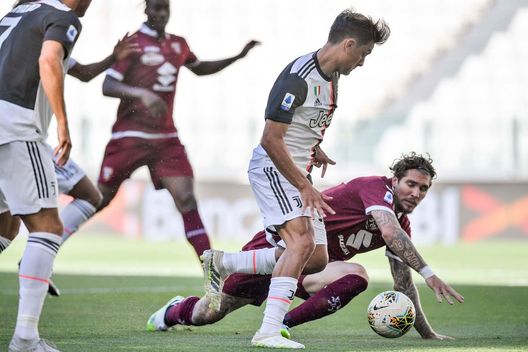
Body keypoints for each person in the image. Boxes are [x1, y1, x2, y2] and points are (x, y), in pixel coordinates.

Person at [202, 8, 390, 349]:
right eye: (363, 54)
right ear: (349, 45)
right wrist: (304, 185)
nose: (362, 62)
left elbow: (304, 125)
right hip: (274, 168)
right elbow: (271, 139)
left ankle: (224, 262)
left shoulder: (332, 79)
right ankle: (268, 331)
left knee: (316, 258)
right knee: (300, 243)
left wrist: (315, 148)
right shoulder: (297, 78)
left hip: (298, 171)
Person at [147, 153, 464, 343]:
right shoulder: (375, 189)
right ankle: (171, 312)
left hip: (313, 266)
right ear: (394, 180)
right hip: (281, 250)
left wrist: (427, 334)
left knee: (357, 275)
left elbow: (403, 285)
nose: (417, 192)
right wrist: (430, 273)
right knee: (208, 313)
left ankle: (281, 325)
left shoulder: (399, 226)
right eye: (411, 184)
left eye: (424, 188)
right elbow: (390, 230)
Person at [97, 0, 260, 262]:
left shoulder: (179, 44)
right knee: (99, 199)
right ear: (146, 9)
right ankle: (47, 244)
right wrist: (141, 93)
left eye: (165, 9)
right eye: (156, 8)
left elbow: (200, 68)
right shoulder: (133, 43)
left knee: (187, 201)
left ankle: (211, 271)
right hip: (130, 136)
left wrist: (237, 57)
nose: (161, 13)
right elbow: (108, 85)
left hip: (165, 138)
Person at [0, 35, 139, 297]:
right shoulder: (46, 42)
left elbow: (84, 72)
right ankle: (38, 264)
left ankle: (37, 259)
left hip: (11, 137)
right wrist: (63, 125)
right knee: (87, 198)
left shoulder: (16, 38)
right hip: (23, 139)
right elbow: (59, 65)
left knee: (8, 229)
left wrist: (112, 56)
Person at [0, 0, 92, 350]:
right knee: (48, 228)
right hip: (17, 128)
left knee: (5, 227)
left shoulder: (18, 11)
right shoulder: (62, 17)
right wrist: (63, 126)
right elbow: (49, 59)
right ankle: (25, 339)